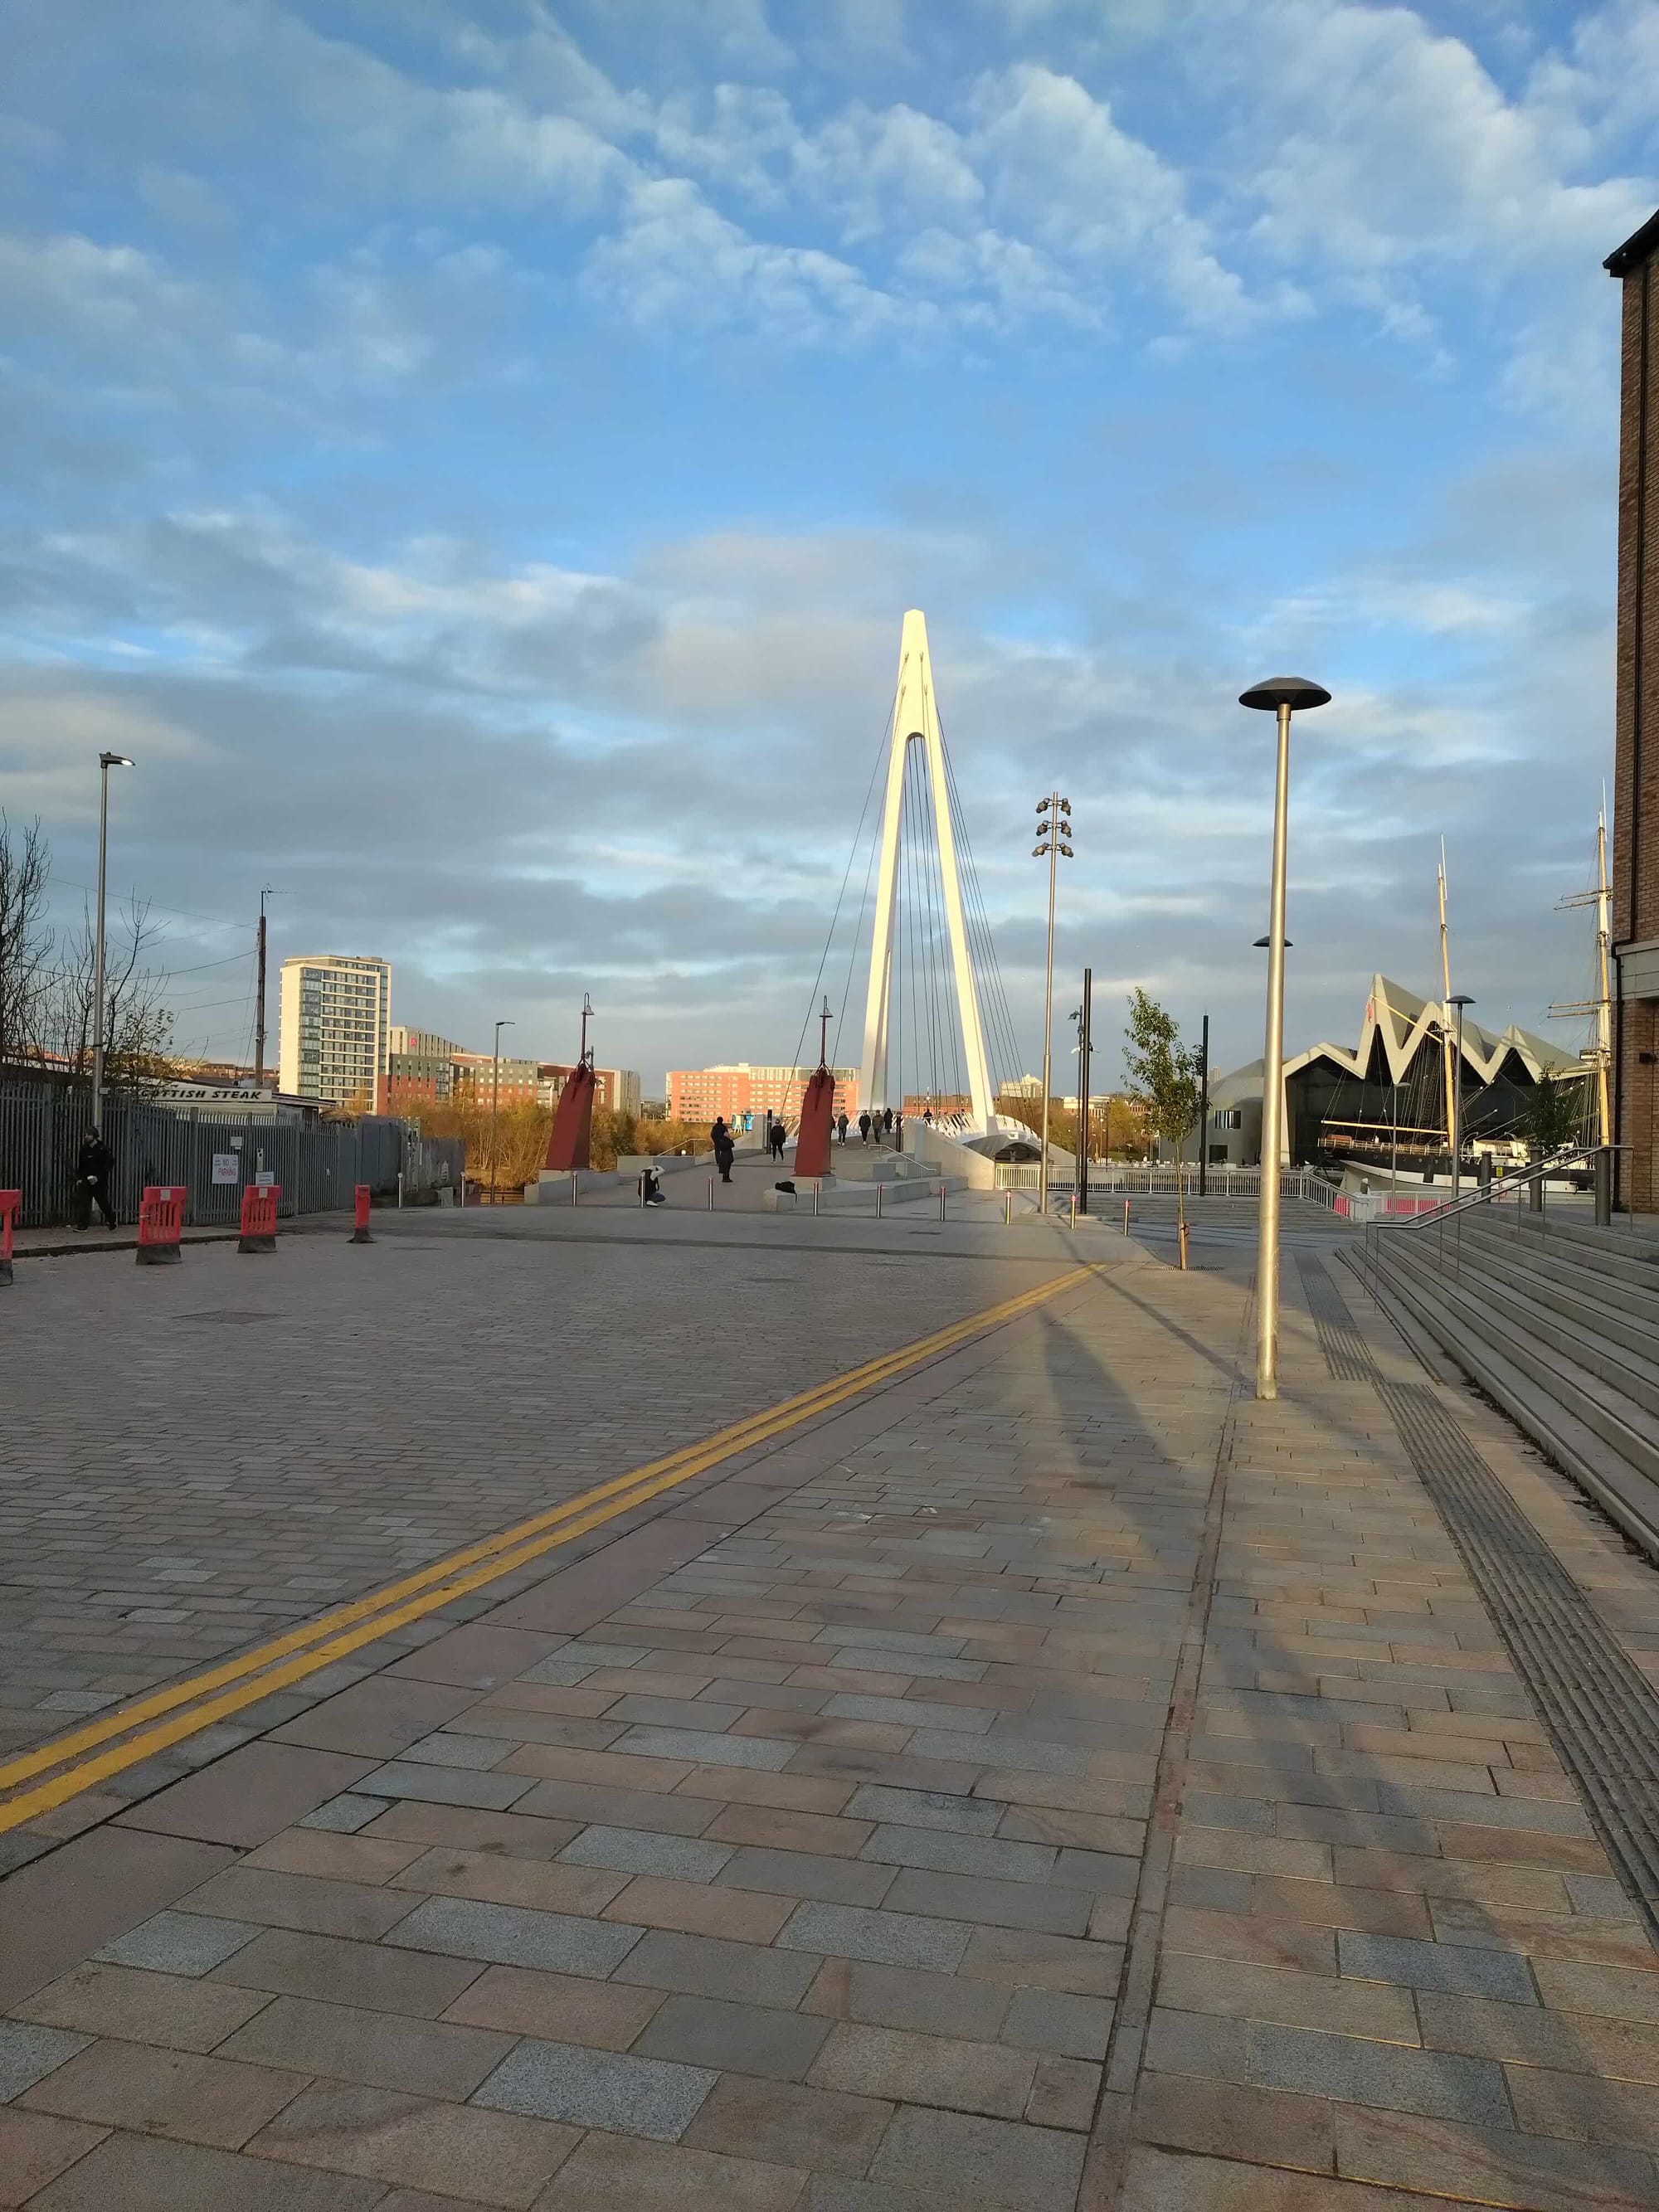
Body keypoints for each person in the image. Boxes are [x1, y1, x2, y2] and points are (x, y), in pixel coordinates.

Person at [72, 1126, 117, 1230]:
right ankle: (82, 1226)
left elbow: (108, 1164)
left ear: (94, 1136)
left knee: (103, 1202)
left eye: (88, 1134)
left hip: (99, 1181)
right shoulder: (84, 1149)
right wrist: (79, 1178)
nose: (86, 1137)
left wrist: (98, 1177)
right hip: (86, 1180)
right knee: (84, 1202)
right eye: (85, 1135)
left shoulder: (103, 1149)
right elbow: (81, 1165)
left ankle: (112, 1220)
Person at [711, 1117, 735, 1184]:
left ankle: (718, 1162)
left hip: (718, 1144)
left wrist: (715, 1141)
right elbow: (729, 1140)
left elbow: (712, 1135)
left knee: (719, 1154)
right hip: (725, 1144)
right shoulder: (724, 1127)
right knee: (727, 1161)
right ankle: (726, 1176)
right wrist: (728, 1138)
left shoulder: (715, 1127)